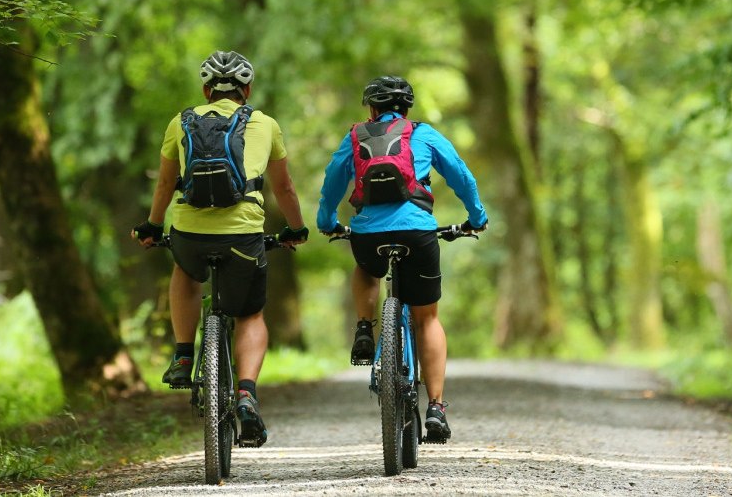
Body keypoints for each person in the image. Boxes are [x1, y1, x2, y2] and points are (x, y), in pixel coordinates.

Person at [133, 50, 308, 447]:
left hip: (190, 232)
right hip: (243, 236)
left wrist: (151, 227)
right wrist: (295, 229)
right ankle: (246, 392)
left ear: (206, 90)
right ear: (247, 88)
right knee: (249, 312)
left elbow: (164, 185)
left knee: (185, 269)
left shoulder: (180, 122)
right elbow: (285, 189)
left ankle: (181, 355)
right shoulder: (265, 124)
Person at [316, 75, 487, 442]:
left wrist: (326, 221)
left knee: (366, 269)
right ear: (406, 109)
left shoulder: (356, 135)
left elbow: (333, 180)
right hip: (417, 233)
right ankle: (437, 407)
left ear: (372, 109)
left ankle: (364, 326)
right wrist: (477, 218)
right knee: (427, 319)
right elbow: (461, 175)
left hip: (368, 237)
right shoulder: (423, 134)